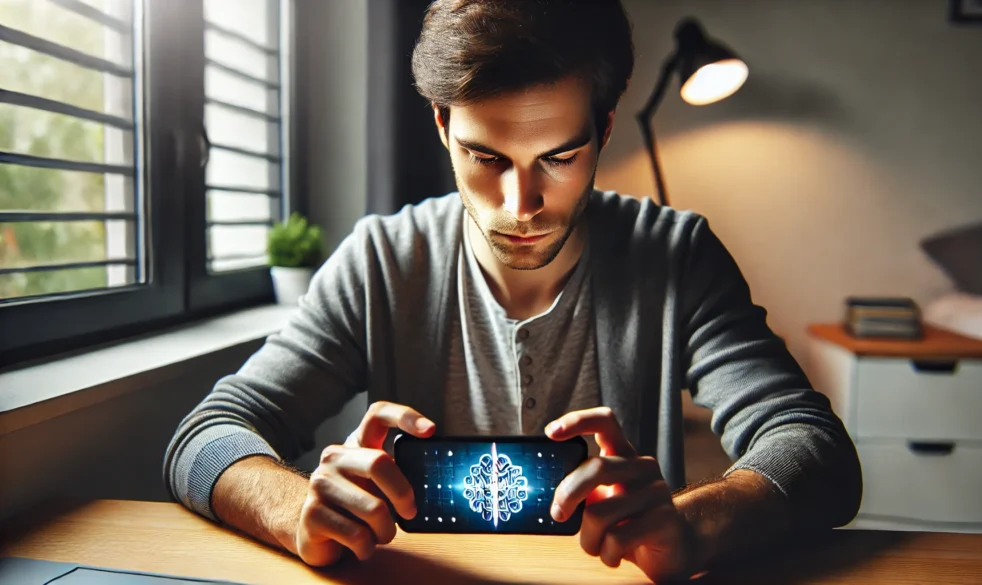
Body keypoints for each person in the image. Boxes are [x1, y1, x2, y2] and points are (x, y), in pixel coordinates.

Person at [163, 0, 862, 581]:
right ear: (442, 125)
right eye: (486, 157)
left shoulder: (675, 257)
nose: (521, 202)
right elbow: (202, 437)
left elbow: (817, 452)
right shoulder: (382, 261)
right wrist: (295, 510)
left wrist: (692, 524)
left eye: (558, 157)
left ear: (604, 128)